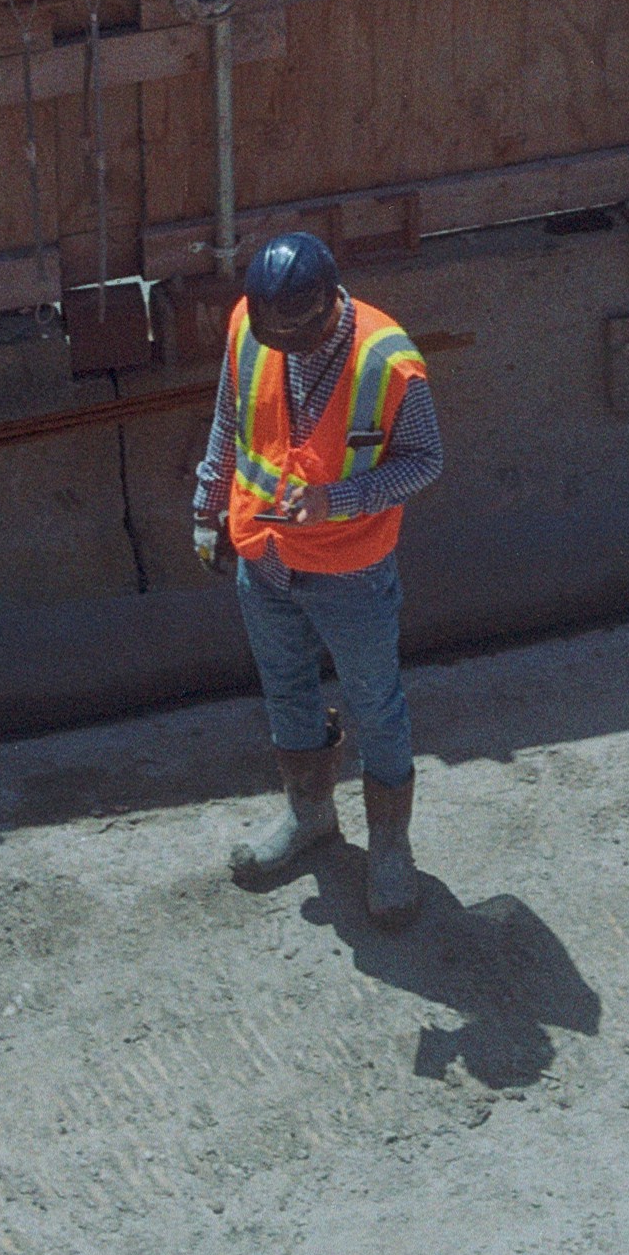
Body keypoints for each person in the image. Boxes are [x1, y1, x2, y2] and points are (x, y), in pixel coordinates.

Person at [191, 231, 442, 925]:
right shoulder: (251, 328)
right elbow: (228, 422)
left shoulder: (390, 363)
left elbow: (425, 462)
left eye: (301, 337)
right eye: (279, 338)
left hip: (350, 571)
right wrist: (207, 509)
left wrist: (338, 500)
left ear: (333, 301)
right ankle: (310, 819)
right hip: (263, 555)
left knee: (375, 702)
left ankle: (390, 845)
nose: (289, 351)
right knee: (286, 690)